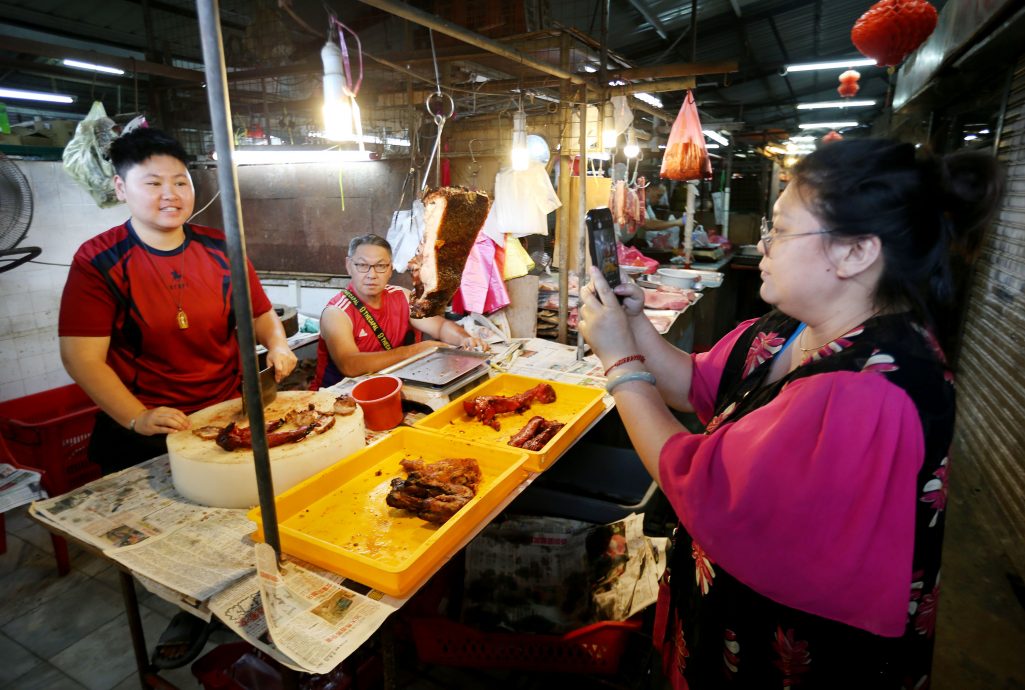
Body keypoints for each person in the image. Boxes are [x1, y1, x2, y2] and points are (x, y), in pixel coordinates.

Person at [577, 139, 1002, 688]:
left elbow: (704, 485)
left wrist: (621, 363)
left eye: (780, 228)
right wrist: (633, 327)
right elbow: (696, 383)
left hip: (786, 657)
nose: (764, 243)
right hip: (718, 615)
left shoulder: (872, 390)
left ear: (855, 252)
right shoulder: (792, 327)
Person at [59, 128, 297, 476]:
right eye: (153, 184)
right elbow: (81, 358)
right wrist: (136, 415)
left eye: (181, 182)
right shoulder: (99, 261)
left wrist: (277, 345)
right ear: (121, 188)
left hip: (227, 413)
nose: (170, 194)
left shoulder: (223, 248)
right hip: (149, 430)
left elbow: (260, 313)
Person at [311, 234, 488, 388]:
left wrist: (465, 339)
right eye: (362, 265)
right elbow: (349, 364)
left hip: (387, 388)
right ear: (349, 266)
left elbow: (440, 327)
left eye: (380, 266)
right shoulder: (336, 313)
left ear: (390, 269)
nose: (371, 275)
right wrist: (415, 351)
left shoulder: (402, 296)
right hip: (335, 400)